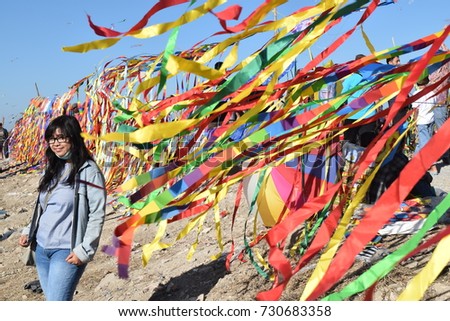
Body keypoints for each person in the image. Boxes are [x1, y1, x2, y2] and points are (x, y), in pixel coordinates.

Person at [18, 115, 106, 301]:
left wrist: (85, 250)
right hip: (41, 248)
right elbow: (43, 207)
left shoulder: (89, 171)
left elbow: (97, 213)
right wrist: (29, 230)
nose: (55, 143)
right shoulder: (52, 168)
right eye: (52, 138)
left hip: (66, 250)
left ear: (74, 137)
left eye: (61, 138)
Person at [412, 76, 438, 174]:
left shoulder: (416, 94)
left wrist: (414, 122)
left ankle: (432, 165)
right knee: (423, 142)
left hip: (421, 121)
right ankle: (414, 162)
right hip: (430, 120)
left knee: (425, 143)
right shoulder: (432, 93)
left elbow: (416, 110)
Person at [429, 43, 450, 165]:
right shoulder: (442, 66)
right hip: (435, 102)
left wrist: (440, 41)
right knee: (437, 129)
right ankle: (440, 154)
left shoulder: (440, 67)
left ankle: (445, 154)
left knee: (439, 130)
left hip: (438, 103)